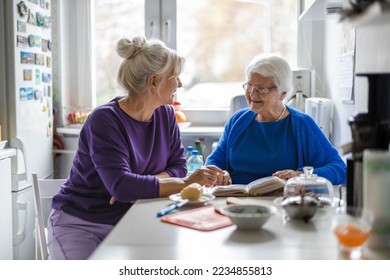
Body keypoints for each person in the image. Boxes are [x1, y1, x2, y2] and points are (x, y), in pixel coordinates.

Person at [47, 37, 223, 260]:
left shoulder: (166, 114)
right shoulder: (104, 119)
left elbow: (177, 165)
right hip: (82, 223)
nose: (179, 85)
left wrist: (137, 185)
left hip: (131, 219)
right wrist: (185, 184)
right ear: (153, 82)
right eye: (175, 77)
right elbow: (122, 186)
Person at [206, 53, 346, 186]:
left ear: (282, 94)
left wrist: (301, 176)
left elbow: (340, 169)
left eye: (261, 89)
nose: (253, 93)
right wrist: (219, 174)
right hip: (235, 201)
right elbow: (214, 161)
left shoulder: (302, 124)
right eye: (250, 85)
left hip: (281, 204)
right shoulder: (238, 120)